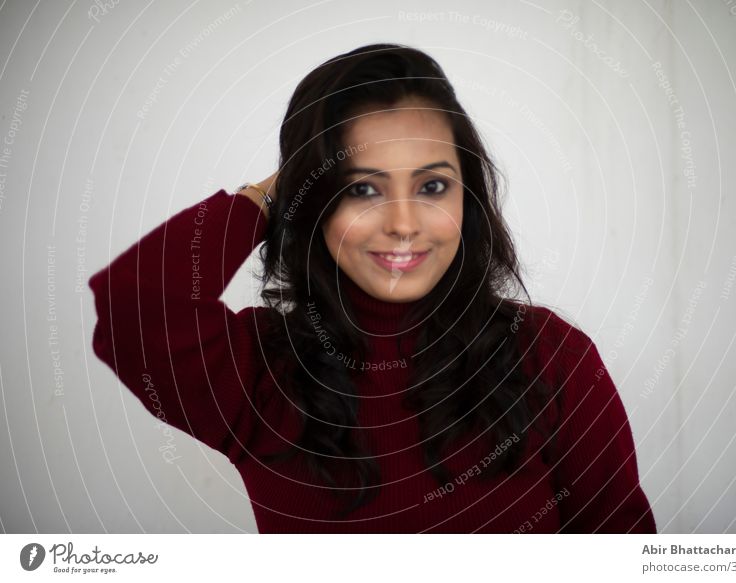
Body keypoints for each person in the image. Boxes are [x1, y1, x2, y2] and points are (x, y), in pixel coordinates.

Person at [89, 43, 656, 533]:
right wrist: (275, 189)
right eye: (362, 189)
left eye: (433, 184)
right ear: (313, 202)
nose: (404, 223)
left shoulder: (552, 355)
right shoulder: (260, 368)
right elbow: (131, 306)